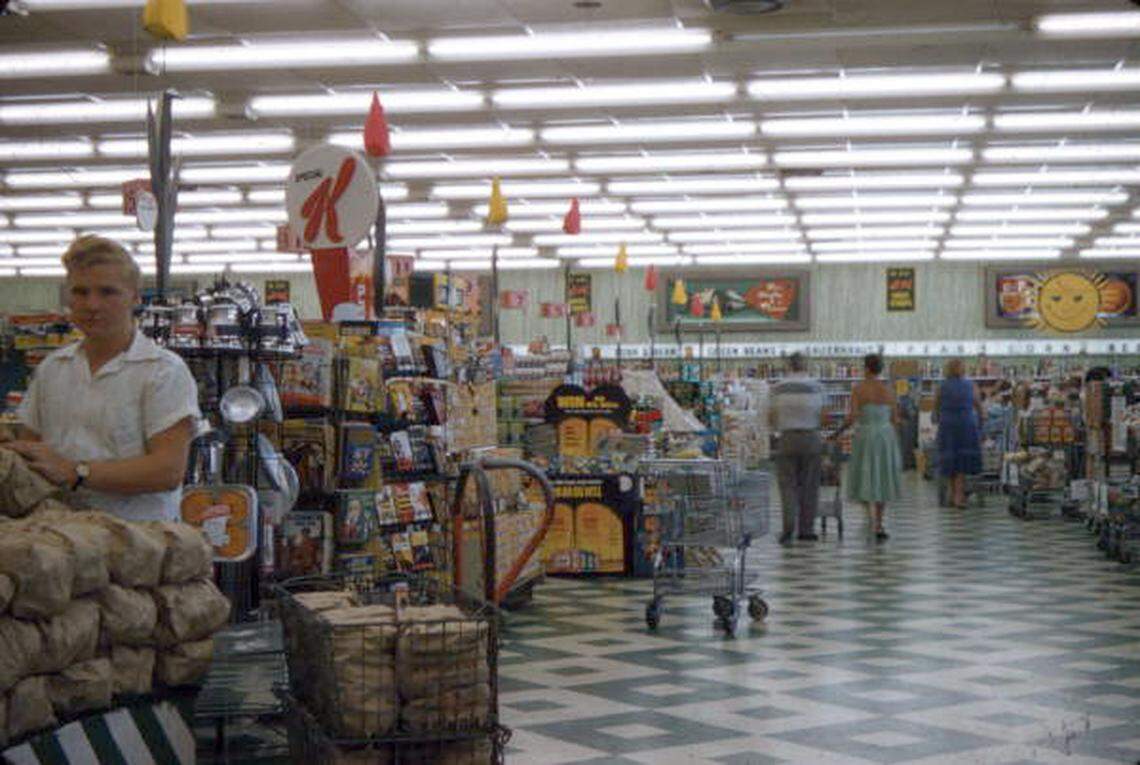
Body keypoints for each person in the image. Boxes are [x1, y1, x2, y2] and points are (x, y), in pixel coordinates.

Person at [5, 235, 200, 522]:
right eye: (80, 292)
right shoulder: (52, 369)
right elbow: (32, 451)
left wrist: (76, 472)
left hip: (138, 545)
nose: (92, 304)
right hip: (61, 538)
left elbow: (167, 470)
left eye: (107, 292)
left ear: (135, 296)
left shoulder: (163, 371)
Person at [769, 353, 825, 545]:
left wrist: (777, 431)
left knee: (787, 486)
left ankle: (788, 528)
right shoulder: (817, 386)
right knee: (810, 487)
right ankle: (807, 530)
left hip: (786, 439)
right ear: (805, 365)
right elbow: (824, 417)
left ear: (789, 366)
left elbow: (771, 416)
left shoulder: (778, 388)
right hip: (811, 438)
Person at [846, 354, 903, 542]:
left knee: (866, 472)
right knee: (883, 474)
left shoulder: (859, 389)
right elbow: (895, 419)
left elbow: (853, 416)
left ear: (867, 368)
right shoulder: (889, 390)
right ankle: (879, 522)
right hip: (886, 436)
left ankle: (868, 513)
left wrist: (838, 432)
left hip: (866, 435)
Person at [934, 358, 984, 508]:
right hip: (965, 424)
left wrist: (940, 419)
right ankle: (958, 497)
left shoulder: (941, 386)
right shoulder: (970, 385)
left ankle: (952, 494)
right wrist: (981, 422)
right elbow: (979, 407)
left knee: (950, 460)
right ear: (962, 369)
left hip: (948, 425)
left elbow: (935, 409)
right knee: (962, 463)